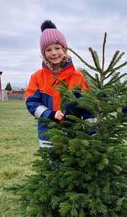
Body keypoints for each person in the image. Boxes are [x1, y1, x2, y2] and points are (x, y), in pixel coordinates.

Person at [25, 20, 91, 148]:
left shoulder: (77, 76)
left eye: (57, 48)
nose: (54, 53)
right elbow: (31, 103)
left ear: (64, 49)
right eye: (48, 50)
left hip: (74, 136)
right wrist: (50, 114)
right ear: (43, 54)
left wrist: (92, 131)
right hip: (48, 136)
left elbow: (87, 106)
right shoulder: (37, 77)